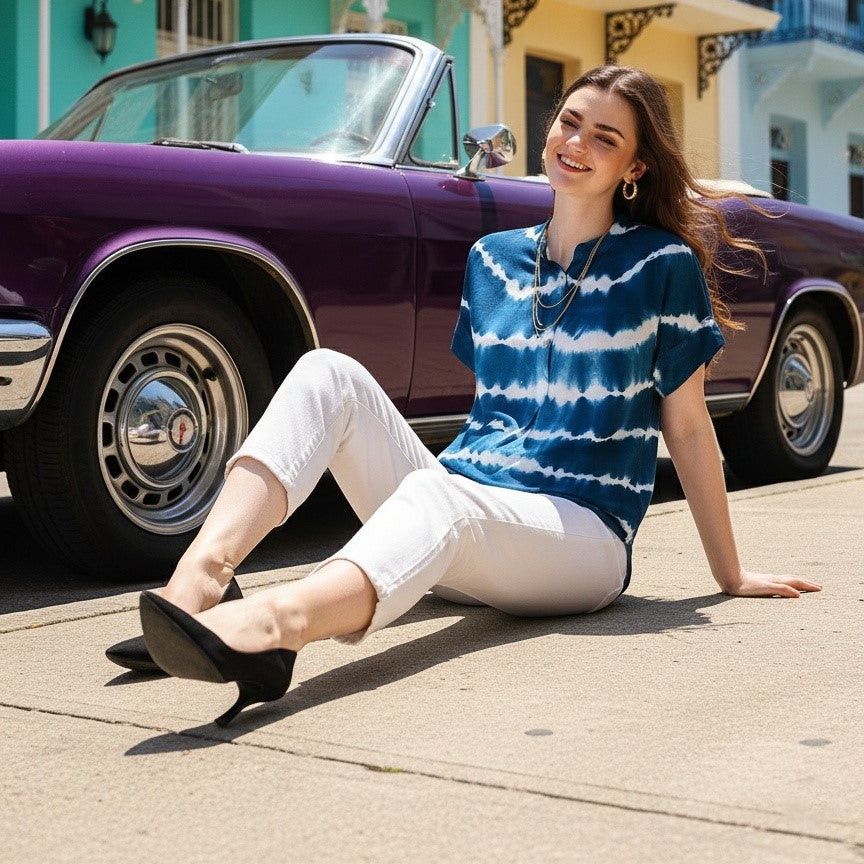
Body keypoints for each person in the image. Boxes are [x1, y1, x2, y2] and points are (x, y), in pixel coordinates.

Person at [112, 64, 821, 727]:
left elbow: (690, 428)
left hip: (581, 537)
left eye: (604, 138)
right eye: (569, 122)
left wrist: (730, 575)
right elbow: (495, 420)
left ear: (634, 167)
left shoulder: (660, 267)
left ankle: (274, 631)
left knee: (442, 498)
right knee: (326, 372)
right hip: (461, 519)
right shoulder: (492, 261)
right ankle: (198, 583)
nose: (576, 143)